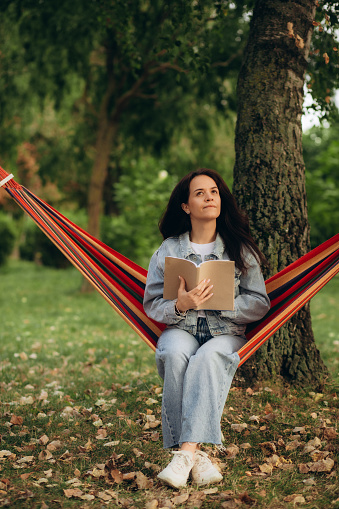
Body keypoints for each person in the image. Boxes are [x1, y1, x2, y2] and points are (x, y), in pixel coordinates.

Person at [143, 168, 270, 489]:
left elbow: (260, 303)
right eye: (199, 193)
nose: (209, 197)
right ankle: (197, 456)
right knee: (172, 352)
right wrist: (180, 304)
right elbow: (151, 304)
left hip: (225, 332)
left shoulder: (240, 249)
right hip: (181, 328)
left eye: (213, 191)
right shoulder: (168, 251)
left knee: (207, 359)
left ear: (220, 200)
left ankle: (184, 454)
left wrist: (223, 304)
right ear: (185, 206)